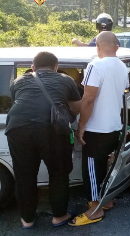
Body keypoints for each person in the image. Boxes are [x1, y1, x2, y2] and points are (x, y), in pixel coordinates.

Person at [6, 52, 81, 228]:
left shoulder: (18, 81)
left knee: (24, 176)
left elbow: (18, 102)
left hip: (17, 128)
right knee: (58, 172)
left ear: (32, 67)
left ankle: (27, 220)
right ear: (56, 67)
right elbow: (78, 108)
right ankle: (59, 216)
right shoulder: (65, 79)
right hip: (51, 129)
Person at [70, 31, 129, 226]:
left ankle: (95, 210)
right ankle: (107, 200)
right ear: (116, 47)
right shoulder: (122, 67)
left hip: (97, 128)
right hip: (114, 126)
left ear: (97, 46)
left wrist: (81, 126)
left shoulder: (96, 65)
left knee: (92, 170)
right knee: (104, 166)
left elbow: (88, 99)